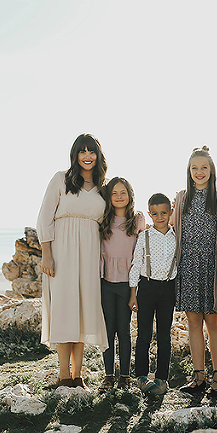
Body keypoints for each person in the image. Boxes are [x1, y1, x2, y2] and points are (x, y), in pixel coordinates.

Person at [37, 134, 109, 389]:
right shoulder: (61, 179)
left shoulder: (104, 186)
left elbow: (116, 218)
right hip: (62, 252)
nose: (87, 156)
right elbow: (44, 218)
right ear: (75, 154)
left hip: (89, 253)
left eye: (92, 152)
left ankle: (78, 376)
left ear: (98, 156)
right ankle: (63, 376)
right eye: (83, 151)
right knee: (64, 310)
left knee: (82, 312)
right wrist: (47, 253)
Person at [173, 147, 217, 397]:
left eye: (204, 167)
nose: (199, 172)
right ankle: (198, 377)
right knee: (193, 321)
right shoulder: (182, 198)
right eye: (194, 168)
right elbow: (171, 228)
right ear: (188, 171)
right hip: (188, 263)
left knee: (213, 321)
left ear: (212, 170)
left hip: (212, 264)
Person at [98, 177, 146, 391]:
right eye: (114, 193)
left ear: (130, 195)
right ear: (109, 196)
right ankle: (108, 375)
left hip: (128, 284)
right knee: (108, 331)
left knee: (124, 331)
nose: (119, 196)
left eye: (123, 192)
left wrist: (136, 290)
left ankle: (124, 376)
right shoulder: (103, 220)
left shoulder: (136, 220)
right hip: (106, 283)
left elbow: (142, 254)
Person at [129, 193, 178, 396]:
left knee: (165, 336)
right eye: (155, 214)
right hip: (146, 288)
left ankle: (161, 379)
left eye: (164, 213)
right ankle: (141, 376)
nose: (160, 217)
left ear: (170, 213)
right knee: (144, 335)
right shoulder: (145, 236)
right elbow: (136, 265)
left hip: (168, 288)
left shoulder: (177, 236)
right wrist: (133, 293)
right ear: (150, 214)